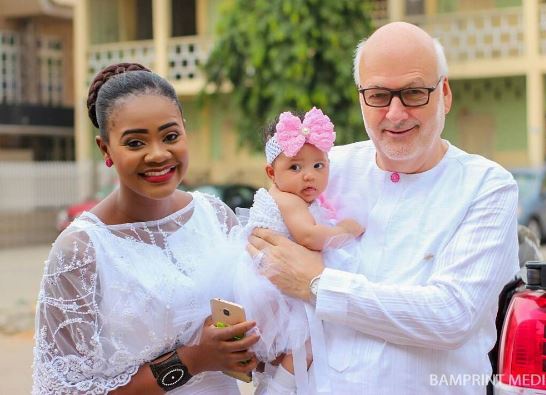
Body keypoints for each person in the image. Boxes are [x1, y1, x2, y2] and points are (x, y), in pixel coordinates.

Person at [248, 22, 519, 394]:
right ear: (361, 98)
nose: (395, 113)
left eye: (413, 93)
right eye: (378, 95)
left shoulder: (486, 186)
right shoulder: (325, 170)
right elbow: (264, 248)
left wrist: (319, 283)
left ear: (445, 94)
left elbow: (451, 315)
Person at [32, 62, 259, 394]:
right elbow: (65, 390)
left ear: (185, 130)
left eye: (170, 136)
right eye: (135, 143)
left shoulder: (215, 216)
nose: (158, 154)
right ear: (105, 149)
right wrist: (194, 359)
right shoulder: (81, 250)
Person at [231, 107, 364, 394]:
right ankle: (279, 388)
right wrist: (346, 231)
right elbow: (309, 237)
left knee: (297, 344)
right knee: (307, 343)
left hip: (277, 279)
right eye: (295, 167)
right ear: (271, 172)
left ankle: (274, 381)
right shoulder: (288, 200)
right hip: (275, 289)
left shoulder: (293, 196)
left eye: (319, 166)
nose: (309, 176)